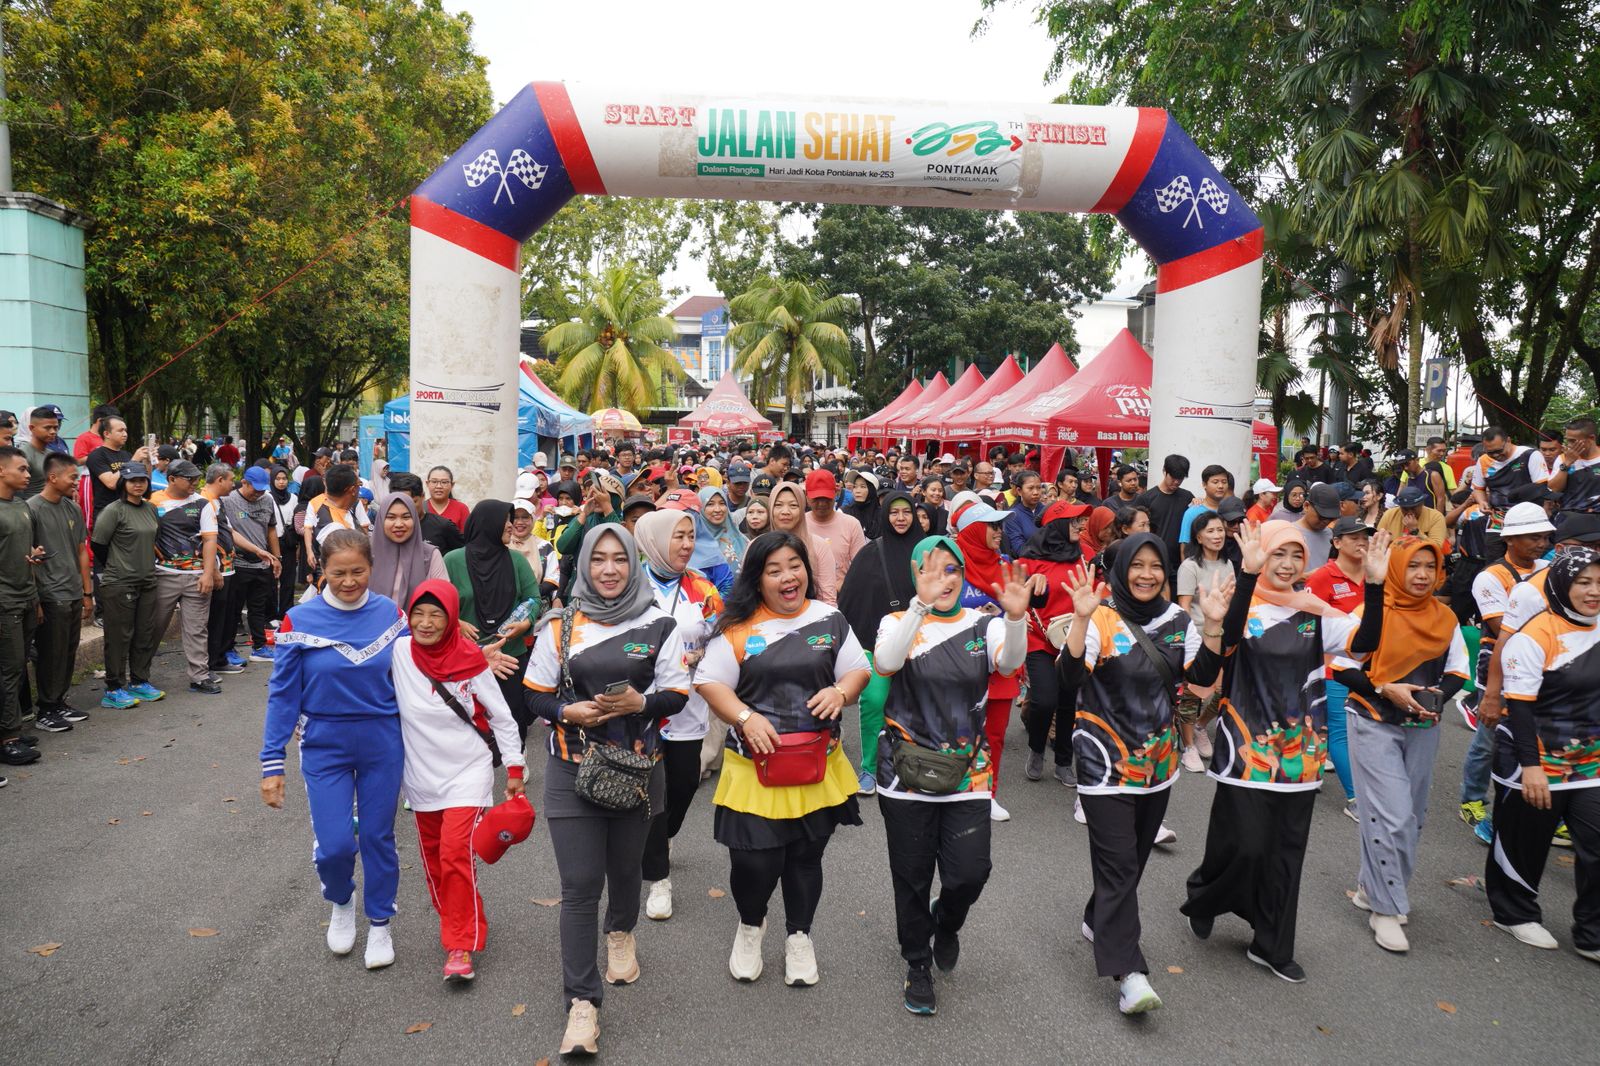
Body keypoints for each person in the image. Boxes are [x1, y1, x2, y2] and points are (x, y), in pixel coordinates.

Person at [1181, 520, 1389, 983]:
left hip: (1302, 754)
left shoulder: (1314, 612)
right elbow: (1228, 637)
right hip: (1245, 749)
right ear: (1262, 556)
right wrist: (1250, 576)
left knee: (1285, 852)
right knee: (1245, 846)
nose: (1289, 563)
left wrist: (1374, 586)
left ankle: (1272, 944)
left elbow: (1365, 644)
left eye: (1296, 556)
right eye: (1279, 554)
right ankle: (1205, 891)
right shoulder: (1238, 607)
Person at [521, 525, 690, 1056]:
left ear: (634, 564)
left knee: (624, 872)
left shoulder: (661, 624)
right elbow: (535, 696)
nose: (610, 569)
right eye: (599, 560)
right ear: (585, 566)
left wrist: (641, 705)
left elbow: (678, 695)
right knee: (578, 885)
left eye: (620, 559)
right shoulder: (559, 625)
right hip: (573, 771)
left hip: (639, 772)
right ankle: (582, 1004)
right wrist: (565, 711)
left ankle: (620, 931)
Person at [1055, 534, 1230, 1013]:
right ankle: (1129, 972)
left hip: (1157, 763)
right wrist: (1081, 618)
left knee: (1130, 860)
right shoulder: (1102, 616)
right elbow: (1069, 679)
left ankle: (1098, 917)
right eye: (1138, 566)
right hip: (1103, 761)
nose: (1148, 574)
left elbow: (1200, 675)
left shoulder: (1176, 619)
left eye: (1157, 565)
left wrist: (1213, 623)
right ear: (1122, 568)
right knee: (1118, 864)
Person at [695, 531, 871, 988]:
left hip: (817, 767)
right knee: (754, 864)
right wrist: (745, 716)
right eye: (774, 570)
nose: (787, 577)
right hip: (752, 768)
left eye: (794, 566)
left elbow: (858, 669)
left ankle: (800, 936)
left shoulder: (829, 618)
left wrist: (840, 690)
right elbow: (711, 682)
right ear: (759, 579)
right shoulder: (738, 627)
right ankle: (751, 925)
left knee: (805, 859)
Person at [871, 538, 1030, 1015]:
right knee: (912, 877)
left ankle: (949, 919)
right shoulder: (896, 622)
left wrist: (1018, 618)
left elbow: (1009, 663)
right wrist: (919, 606)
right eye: (932, 569)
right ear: (915, 574)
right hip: (905, 772)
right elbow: (887, 663)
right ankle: (917, 962)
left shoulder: (985, 624)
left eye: (952, 569)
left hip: (969, 772)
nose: (945, 578)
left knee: (970, 873)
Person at [259, 529, 408, 970]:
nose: (349, 581)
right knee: (336, 846)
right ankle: (341, 900)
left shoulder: (390, 614)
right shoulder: (298, 620)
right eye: (338, 572)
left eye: (358, 571)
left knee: (379, 837)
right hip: (324, 745)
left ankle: (380, 922)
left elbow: (416, 678)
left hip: (383, 742)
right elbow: (282, 695)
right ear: (321, 571)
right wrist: (272, 762)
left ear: (371, 568)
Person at [1330, 538, 1467, 953]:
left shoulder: (1446, 618)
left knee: (1414, 815)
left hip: (1423, 725)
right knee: (1391, 816)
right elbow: (1342, 667)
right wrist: (1386, 688)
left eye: (1430, 566)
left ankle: (1373, 889)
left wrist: (1434, 697)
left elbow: (1459, 671)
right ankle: (1386, 910)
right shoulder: (1372, 611)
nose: (1422, 575)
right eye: (1413, 566)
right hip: (1372, 719)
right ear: (1396, 569)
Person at [393, 579, 526, 983]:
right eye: (419, 613)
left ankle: (460, 944)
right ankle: (461, 917)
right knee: (435, 864)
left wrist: (515, 769)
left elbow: (502, 717)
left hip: (468, 772)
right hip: (421, 779)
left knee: (454, 854)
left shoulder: (470, 660)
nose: (426, 622)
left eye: (437, 615)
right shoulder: (398, 653)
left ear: (452, 619)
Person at [1489, 546, 1600, 957]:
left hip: (1591, 762)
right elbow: (1519, 707)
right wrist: (1532, 768)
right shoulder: (1535, 636)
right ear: (1561, 585)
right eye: (1583, 582)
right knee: (1525, 841)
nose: (1593, 592)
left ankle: (1592, 933)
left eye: (1599, 583)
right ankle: (1514, 913)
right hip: (1536, 758)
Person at [632, 509, 724, 922]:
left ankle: (661, 839)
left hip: (687, 707)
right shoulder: (630, 584)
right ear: (653, 540)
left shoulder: (702, 587)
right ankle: (659, 879)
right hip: (640, 707)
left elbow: (721, 636)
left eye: (691, 536)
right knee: (653, 791)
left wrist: (702, 654)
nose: (687, 544)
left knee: (685, 783)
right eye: (678, 537)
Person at [1457, 501, 1553, 843]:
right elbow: (1501, 627)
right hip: (1499, 661)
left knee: (1536, 736)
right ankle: (1472, 799)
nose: (1541, 543)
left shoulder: (1548, 567)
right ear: (1511, 539)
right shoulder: (1491, 577)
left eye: (1544, 536)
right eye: (1533, 537)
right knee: (1491, 738)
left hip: (1543, 663)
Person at [837, 492, 920, 795]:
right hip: (874, 644)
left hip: (921, 645)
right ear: (885, 515)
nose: (900, 518)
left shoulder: (926, 551)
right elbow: (849, 599)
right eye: (894, 512)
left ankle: (917, 765)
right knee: (873, 701)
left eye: (906, 512)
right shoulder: (871, 552)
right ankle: (869, 768)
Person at [949, 497, 1025, 822]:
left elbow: (1019, 608)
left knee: (994, 733)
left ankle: (986, 792)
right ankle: (952, 784)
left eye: (1000, 525)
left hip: (1000, 665)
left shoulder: (1006, 564)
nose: (999, 531)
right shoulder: (951, 566)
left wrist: (1006, 611)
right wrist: (969, 614)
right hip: (959, 664)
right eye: (993, 525)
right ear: (975, 530)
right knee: (958, 730)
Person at [445, 501, 540, 740]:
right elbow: (439, 604)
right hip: (467, 656)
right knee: (468, 717)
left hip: (509, 654)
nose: (511, 526)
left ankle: (515, 763)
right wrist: (455, 621)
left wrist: (525, 622)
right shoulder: (453, 561)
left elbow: (533, 598)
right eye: (505, 521)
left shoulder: (517, 560)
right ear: (488, 524)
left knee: (512, 715)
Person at [1016, 500, 1091, 788]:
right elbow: (1013, 599)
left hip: (1073, 640)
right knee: (1045, 700)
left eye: (1081, 521)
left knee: (1068, 702)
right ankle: (1037, 748)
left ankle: (1063, 761)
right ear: (1057, 525)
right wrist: (1024, 596)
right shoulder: (1029, 561)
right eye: (1073, 522)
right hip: (1039, 640)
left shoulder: (1083, 555)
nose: (1080, 526)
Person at [1305, 515, 1376, 817]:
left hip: (1374, 670)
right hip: (1333, 669)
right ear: (1336, 543)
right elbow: (1308, 627)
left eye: (1366, 537)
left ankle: (1312, 768)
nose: (1363, 542)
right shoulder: (1321, 578)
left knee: (1366, 731)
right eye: (1354, 537)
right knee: (1340, 731)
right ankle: (1354, 799)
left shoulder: (1376, 576)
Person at [26, 453, 93, 733]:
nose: (76, 482)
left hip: (73, 592)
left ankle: (59, 701)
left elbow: (80, 550)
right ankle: (46, 708)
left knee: (67, 650)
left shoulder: (72, 508)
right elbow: (27, 558)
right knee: (50, 653)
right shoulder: (31, 510)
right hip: (49, 594)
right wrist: (37, 600)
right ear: (53, 477)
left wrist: (87, 592)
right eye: (72, 477)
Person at [92, 462, 165, 710]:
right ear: (123, 482)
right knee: (119, 637)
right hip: (119, 582)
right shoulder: (114, 510)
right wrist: (118, 566)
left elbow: (152, 539)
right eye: (132, 480)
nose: (138, 484)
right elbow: (98, 544)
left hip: (147, 580)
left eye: (142, 480)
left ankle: (139, 681)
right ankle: (113, 687)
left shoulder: (150, 509)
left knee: (144, 633)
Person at [1174, 510, 1241, 774]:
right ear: (1199, 537)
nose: (1217, 536)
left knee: (1222, 692)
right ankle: (1188, 745)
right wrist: (1190, 641)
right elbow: (1183, 607)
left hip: (1223, 637)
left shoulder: (1228, 565)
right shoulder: (1189, 566)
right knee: (1193, 694)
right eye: (1210, 531)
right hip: (1197, 639)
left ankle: (1202, 726)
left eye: (1220, 530)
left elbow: (1233, 602)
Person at [147, 460, 222, 694]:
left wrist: (208, 573)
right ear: (172, 479)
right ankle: (140, 675)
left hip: (196, 576)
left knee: (197, 628)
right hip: (163, 575)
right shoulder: (154, 503)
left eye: (196, 478)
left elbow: (210, 540)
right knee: (153, 627)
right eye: (189, 479)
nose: (194, 483)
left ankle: (199, 676)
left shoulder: (202, 504)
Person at [0, 446, 43, 771]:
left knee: (17, 667)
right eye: (22, 469)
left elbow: (17, 546)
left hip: (27, 596)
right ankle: (8, 738)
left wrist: (32, 553)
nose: (28, 475)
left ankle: (13, 728)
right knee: (9, 668)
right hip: (5, 602)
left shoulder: (20, 505)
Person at [220, 466, 281, 663]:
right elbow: (227, 532)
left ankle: (260, 646)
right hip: (238, 563)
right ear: (244, 482)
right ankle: (228, 649)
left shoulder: (267, 500)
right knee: (233, 610)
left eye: (262, 490)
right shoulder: (228, 501)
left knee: (258, 608)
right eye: (255, 489)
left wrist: (276, 558)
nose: (258, 494)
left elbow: (271, 529)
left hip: (262, 564)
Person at [370, 492, 447, 607]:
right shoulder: (366, 552)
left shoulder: (430, 554)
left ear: (415, 520)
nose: (399, 524)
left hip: (416, 624)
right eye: (391, 517)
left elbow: (443, 597)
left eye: (406, 517)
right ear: (381, 520)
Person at [768, 482, 837, 604]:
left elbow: (828, 598)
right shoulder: (756, 545)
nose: (785, 511)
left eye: (793, 506)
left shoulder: (818, 545)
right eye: (778, 505)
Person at [1134, 455, 1194, 587]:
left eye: (1181, 478)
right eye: (1173, 477)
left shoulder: (1187, 497)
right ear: (1164, 471)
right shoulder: (1146, 499)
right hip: (1154, 562)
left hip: (1180, 563)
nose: (1177, 482)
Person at [805, 469, 867, 584]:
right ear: (807, 496)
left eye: (827, 498)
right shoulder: (800, 524)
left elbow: (862, 567)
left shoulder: (851, 524)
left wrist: (843, 585)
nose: (822, 504)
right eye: (817, 499)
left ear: (836, 494)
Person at [1470, 426, 1535, 530]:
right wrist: (1482, 502)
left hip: (1526, 517)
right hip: (1497, 520)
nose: (1496, 455)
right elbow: (1478, 489)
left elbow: (1542, 487)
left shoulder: (1529, 455)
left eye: (1499, 450)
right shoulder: (1483, 460)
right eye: (1490, 452)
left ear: (1508, 440)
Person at [692, 486, 747, 594]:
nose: (717, 509)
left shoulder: (741, 539)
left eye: (722, 503)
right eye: (710, 504)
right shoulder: (693, 544)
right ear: (701, 508)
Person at [1178, 465, 1234, 545]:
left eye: (1224, 482)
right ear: (1204, 484)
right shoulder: (1192, 512)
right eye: (1215, 482)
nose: (1220, 486)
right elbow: (1185, 545)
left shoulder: (1231, 510)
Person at [1378, 483, 1447, 545]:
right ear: (1400, 506)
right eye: (1405, 509)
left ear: (1422, 504)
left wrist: (1415, 531)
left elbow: (1437, 547)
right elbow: (1378, 540)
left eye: (1413, 508)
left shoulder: (1436, 517)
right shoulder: (1389, 514)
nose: (1409, 512)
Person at [1295, 482, 1340, 565]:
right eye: (1322, 517)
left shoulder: (1331, 535)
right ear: (1306, 506)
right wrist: (1305, 576)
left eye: (1330, 518)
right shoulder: (1289, 532)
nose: (1326, 521)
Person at [1002, 470, 1045, 557]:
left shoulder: (1048, 511)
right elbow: (1020, 549)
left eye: (1039, 488)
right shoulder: (1012, 516)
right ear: (1019, 491)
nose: (1036, 492)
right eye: (1031, 488)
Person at [424, 466, 470, 533]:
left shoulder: (462, 509)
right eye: (434, 482)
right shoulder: (420, 508)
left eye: (444, 482)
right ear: (427, 484)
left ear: (452, 485)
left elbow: (466, 538)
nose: (439, 486)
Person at [843, 471, 881, 539]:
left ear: (872, 489)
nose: (857, 491)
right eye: (855, 486)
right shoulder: (844, 513)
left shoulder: (883, 515)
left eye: (863, 487)